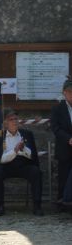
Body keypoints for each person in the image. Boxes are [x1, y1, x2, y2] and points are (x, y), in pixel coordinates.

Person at [0, 109, 43, 216]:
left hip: (23, 164)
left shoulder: (27, 134)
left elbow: (32, 155)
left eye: (16, 119)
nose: (14, 121)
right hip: (6, 165)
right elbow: (0, 159)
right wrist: (14, 151)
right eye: (11, 119)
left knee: (35, 171)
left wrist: (23, 149)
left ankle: (37, 205)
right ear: (5, 123)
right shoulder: (0, 136)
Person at [50, 78, 72, 207]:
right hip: (64, 146)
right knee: (64, 174)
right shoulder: (58, 109)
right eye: (69, 92)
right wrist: (68, 139)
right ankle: (62, 201)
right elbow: (55, 128)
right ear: (64, 93)